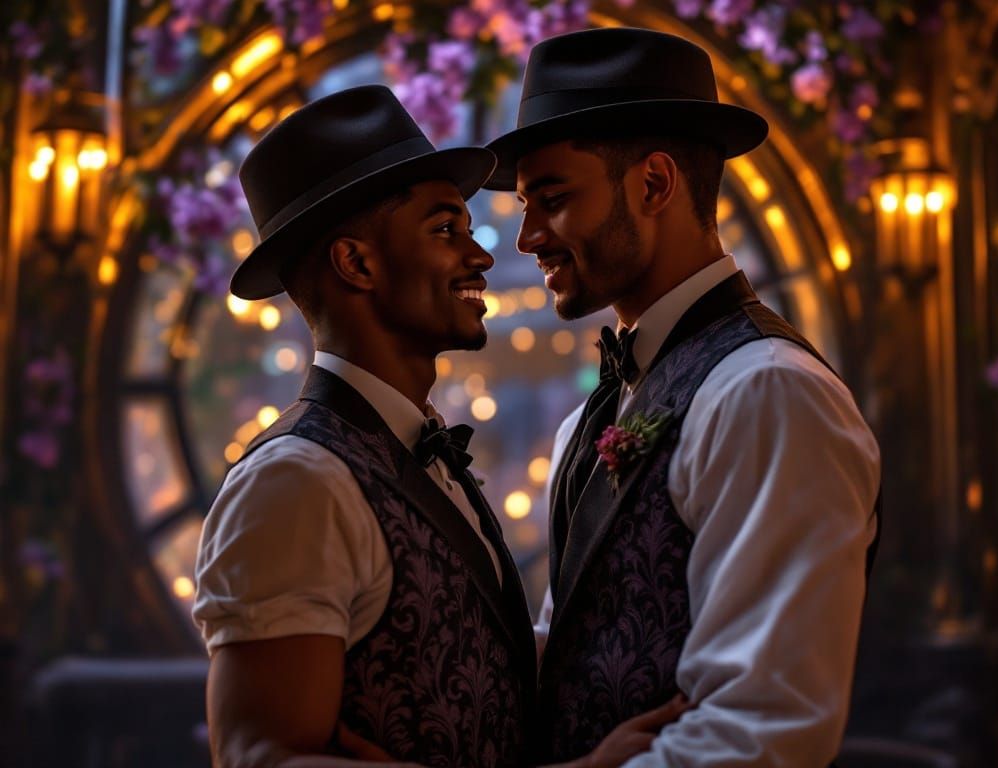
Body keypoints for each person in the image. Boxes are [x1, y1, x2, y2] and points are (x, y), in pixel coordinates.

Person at [193, 85, 684, 768]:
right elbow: (258, 757)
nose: (482, 256)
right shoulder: (294, 481)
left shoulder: (415, 450)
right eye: (445, 230)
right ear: (356, 263)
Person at [485, 28, 882, 766]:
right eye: (525, 205)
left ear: (654, 184)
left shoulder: (767, 393)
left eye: (554, 198)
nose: (527, 237)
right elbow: (579, 652)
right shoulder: (592, 414)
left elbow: (763, 731)